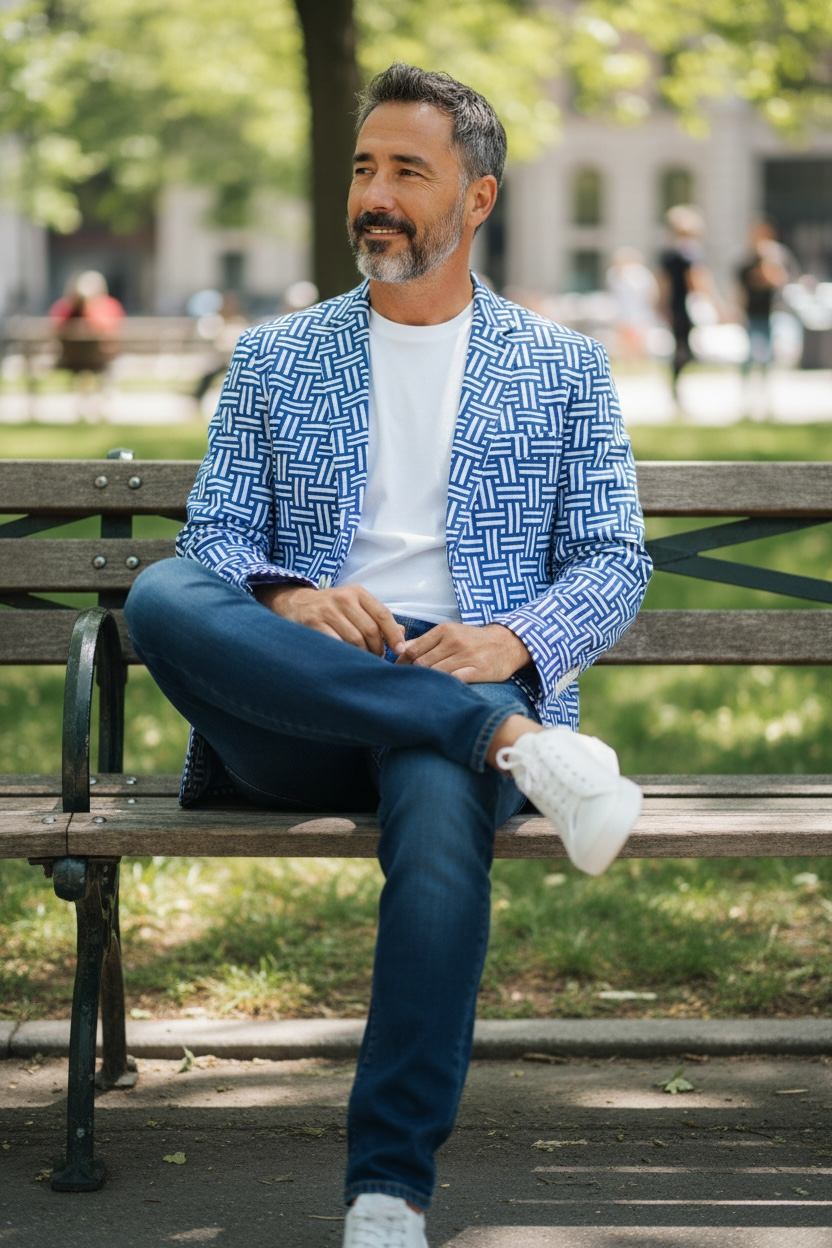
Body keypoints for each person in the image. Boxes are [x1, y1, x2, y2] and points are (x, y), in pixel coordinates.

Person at [125, 63, 652, 1248]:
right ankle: (519, 747)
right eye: (364, 167)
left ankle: (387, 1195)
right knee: (162, 593)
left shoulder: (561, 370)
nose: (374, 193)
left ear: (476, 199)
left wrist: (515, 638)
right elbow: (213, 537)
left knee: (433, 826)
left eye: (407, 171)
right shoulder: (275, 358)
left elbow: (614, 559)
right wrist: (292, 596)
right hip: (296, 721)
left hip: (450, 688)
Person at [658, 204, 720, 402]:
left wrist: (661, 305)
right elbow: (697, 281)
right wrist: (715, 303)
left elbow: (662, 284)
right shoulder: (690, 253)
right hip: (686, 305)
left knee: (681, 346)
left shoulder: (668, 253)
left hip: (675, 305)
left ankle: (675, 387)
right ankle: (676, 388)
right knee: (685, 348)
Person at [48, 270, 124, 419]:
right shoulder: (106, 307)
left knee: (88, 369)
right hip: (98, 360)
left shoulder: (64, 309)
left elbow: (54, 329)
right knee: (106, 364)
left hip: (72, 360)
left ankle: (86, 404)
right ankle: (101, 406)